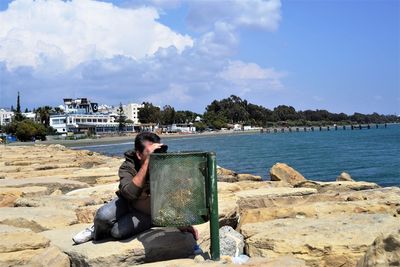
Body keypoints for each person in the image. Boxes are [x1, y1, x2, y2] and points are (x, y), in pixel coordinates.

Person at [72, 132, 198, 244]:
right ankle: (96, 230)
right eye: (152, 152)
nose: (157, 156)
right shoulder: (128, 167)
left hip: (147, 212)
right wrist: (148, 163)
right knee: (102, 216)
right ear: (138, 154)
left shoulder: (165, 166)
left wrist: (181, 221)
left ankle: (118, 226)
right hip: (128, 202)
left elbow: (175, 194)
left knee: (117, 233)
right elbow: (128, 193)